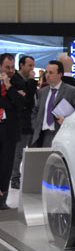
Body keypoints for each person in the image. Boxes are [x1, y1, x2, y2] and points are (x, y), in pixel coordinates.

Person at [31, 60, 75, 148]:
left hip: (62, 134)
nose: (47, 75)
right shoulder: (42, 92)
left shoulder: (71, 91)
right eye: (46, 72)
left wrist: (67, 120)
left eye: (51, 73)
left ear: (60, 75)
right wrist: (35, 125)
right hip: (42, 135)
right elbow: (35, 110)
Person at [0, 54, 26, 209]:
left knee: (6, 166)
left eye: (12, 67)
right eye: (6, 67)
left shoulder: (17, 81)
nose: (10, 70)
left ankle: (2, 200)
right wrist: (10, 99)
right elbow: (13, 101)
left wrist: (9, 86)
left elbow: (21, 102)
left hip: (9, 130)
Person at [10, 55, 37, 189]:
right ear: (22, 65)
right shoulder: (16, 79)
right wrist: (31, 81)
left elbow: (29, 98)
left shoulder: (25, 81)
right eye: (30, 65)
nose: (32, 68)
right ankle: (15, 178)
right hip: (21, 121)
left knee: (32, 151)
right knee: (18, 152)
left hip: (31, 120)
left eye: (33, 65)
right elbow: (27, 98)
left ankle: (29, 177)